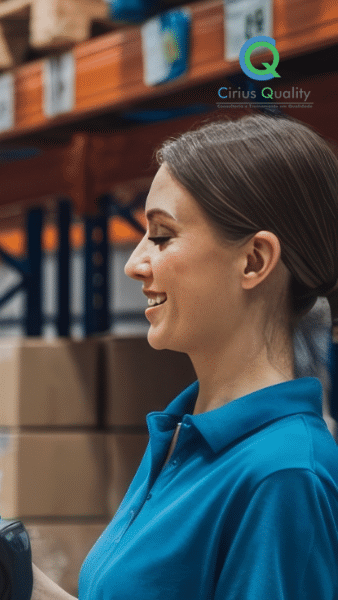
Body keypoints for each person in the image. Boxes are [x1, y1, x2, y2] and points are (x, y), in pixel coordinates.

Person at [28, 113, 338, 598]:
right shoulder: (183, 435)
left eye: (162, 236)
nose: (134, 264)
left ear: (254, 260)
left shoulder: (283, 476)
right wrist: (10, 573)